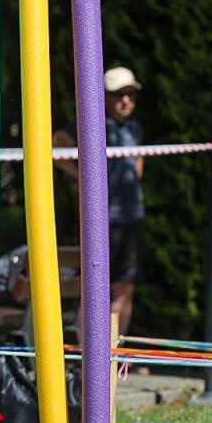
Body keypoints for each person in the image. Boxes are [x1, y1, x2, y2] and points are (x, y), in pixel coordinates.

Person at [52, 65, 145, 337]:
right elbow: (57, 143)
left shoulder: (135, 126)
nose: (125, 101)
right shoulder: (92, 123)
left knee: (125, 288)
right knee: (97, 289)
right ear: (104, 97)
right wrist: (83, 178)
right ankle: (95, 352)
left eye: (130, 95)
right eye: (118, 95)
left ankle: (114, 356)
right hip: (102, 219)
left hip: (132, 217)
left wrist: (134, 179)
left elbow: (139, 159)